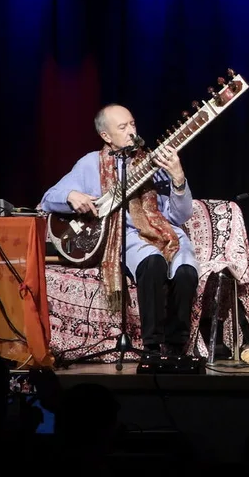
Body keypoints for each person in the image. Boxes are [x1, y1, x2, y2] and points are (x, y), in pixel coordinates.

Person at [40, 104, 199, 356]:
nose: (131, 132)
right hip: (125, 234)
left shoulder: (153, 164)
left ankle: (178, 348)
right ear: (106, 136)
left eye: (133, 124)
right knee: (153, 263)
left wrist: (178, 178)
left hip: (164, 231)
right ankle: (152, 348)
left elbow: (179, 216)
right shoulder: (91, 164)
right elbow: (49, 197)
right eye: (123, 127)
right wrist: (71, 195)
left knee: (186, 271)